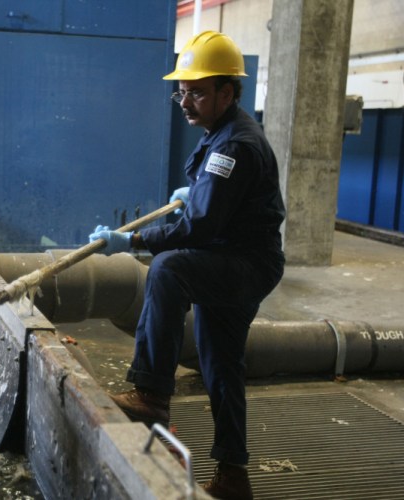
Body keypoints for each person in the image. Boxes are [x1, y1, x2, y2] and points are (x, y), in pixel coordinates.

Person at [88, 31, 285, 500]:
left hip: (243, 264)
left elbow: (197, 228)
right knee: (221, 365)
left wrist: (133, 240)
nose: (184, 101)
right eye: (182, 90)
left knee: (169, 268)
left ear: (227, 92)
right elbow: (213, 206)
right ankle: (234, 476)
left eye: (196, 91)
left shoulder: (234, 146)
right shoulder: (225, 134)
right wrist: (194, 195)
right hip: (237, 259)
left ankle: (152, 395)